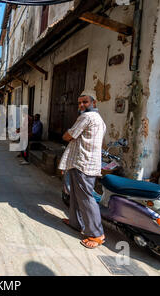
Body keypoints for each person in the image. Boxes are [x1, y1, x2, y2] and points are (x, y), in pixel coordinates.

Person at [58, 91, 106, 249]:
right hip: (84, 163)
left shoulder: (87, 117)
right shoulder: (99, 119)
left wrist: (66, 134)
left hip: (83, 164)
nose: (81, 105)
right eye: (79, 103)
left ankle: (97, 234)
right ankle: (75, 222)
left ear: (94, 103)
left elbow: (69, 136)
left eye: (85, 102)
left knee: (86, 198)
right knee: (76, 195)